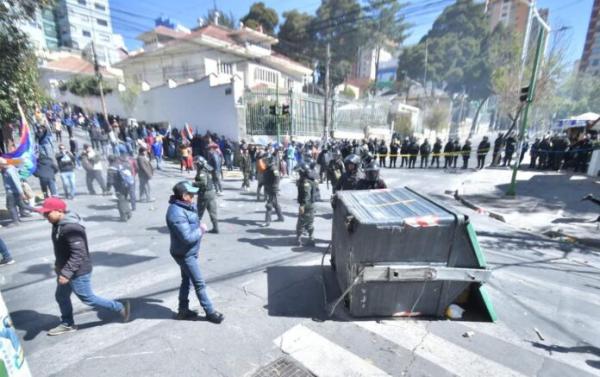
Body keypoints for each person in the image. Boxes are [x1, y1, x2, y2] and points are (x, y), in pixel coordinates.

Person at [35, 197, 130, 336]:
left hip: (78, 271)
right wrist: (58, 265)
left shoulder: (70, 227)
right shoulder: (58, 223)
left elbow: (78, 254)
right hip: (65, 269)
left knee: (87, 298)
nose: (45, 216)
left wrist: (66, 273)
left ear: (60, 211)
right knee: (61, 296)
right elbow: (61, 249)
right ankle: (67, 323)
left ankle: (120, 307)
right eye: (44, 213)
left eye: (47, 213)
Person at [166, 181, 224, 323]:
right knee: (199, 283)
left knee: (186, 281)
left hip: (187, 251)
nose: (194, 196)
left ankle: (183, 310)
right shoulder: (176, 213)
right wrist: (201, 230)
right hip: (185, 254)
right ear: (184, 196)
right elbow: (187, 238)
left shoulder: (184, 205)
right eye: (191, 194)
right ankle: (210, 313)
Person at [193, 156, 219, 234]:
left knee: (198, 212)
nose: (195, 165)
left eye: (196, 163)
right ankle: (216, 228)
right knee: (213, 212)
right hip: (211, 193)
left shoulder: (202, 171)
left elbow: (203, 183)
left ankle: (194, 228)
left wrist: (193, 184)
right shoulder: (207, 169)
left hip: (204, 194)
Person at [1, 158, 29, 225]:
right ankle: (40, 211)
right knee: (22, 205)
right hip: (13, 191)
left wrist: (21, 192)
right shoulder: (7, 169)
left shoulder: (9, 170)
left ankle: (15, 221)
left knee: (10, 206)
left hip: (12, 191)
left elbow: (16, 182)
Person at [295, 163, 317, 246]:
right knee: (309, 223)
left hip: (306, 205)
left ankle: (298, 239)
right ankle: (311, 239)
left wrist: (302, 205)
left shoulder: (306, 183)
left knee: (301, 223)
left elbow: (306, 195)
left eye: (300, 172)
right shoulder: (309, 181)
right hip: (310, 205)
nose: (299, 174)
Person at [106, 155, 133, 222]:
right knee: (125, 199)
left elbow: (110, 181)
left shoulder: (111, 168)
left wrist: (107, 188)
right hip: (127, 184)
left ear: (109, 160)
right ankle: (129, 213)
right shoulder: (121, 165)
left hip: (119, 187)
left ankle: (124, 216)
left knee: (120, 201)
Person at [262, 155, 284, 227]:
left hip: (272, 189)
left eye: (266, 161)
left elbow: (277, 178)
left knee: (269, 205)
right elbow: (266, 178)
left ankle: (267, 221)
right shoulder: (268, 168)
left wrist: (275, 188)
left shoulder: (274, 169)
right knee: (275, 203)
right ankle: (281, 217)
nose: (265, 162)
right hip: (269, 188)